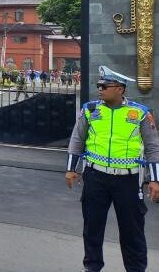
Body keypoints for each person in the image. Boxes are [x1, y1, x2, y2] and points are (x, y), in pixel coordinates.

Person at [66, 66, 159, 272]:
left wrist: (155, 180)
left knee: (132, 230)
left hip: (128, 181)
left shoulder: (140, 113)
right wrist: (72, 169)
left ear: (120, 89)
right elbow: (77, 140)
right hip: (95, 177)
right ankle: (92, 267)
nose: (100, 89)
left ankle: (135, 269)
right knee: (92, 227)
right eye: (99, 85)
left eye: (104, 86)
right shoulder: (90, 110)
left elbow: (153, 148)